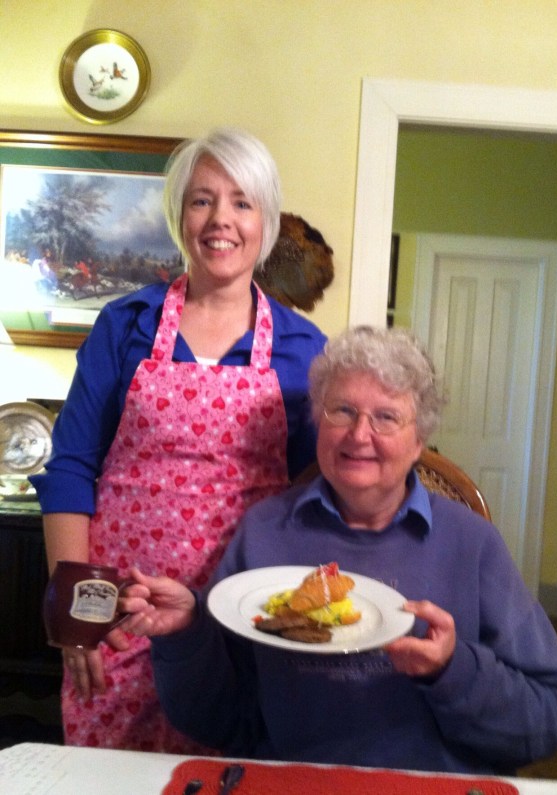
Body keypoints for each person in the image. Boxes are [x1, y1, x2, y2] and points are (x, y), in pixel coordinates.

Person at [120, 326, 557, 773]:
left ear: (419, 442)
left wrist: (450, 670)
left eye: (386, 417)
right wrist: (185, 634)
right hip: (292, 784)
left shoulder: (471, 544)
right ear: (318, 422)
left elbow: (551, 717)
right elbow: (218, 721)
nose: (360, 435)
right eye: (342, 410)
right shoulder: (265, 532)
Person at [30, 128, 327, 752]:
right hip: (120, 614)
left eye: (242, 203)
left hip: (236, 620)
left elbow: (317, 492)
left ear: (267, 220)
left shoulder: (304, 349)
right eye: (202, 200)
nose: (221, 220)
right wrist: (79, 612)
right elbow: (71, 470)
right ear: (179, 215)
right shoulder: (125, 325)